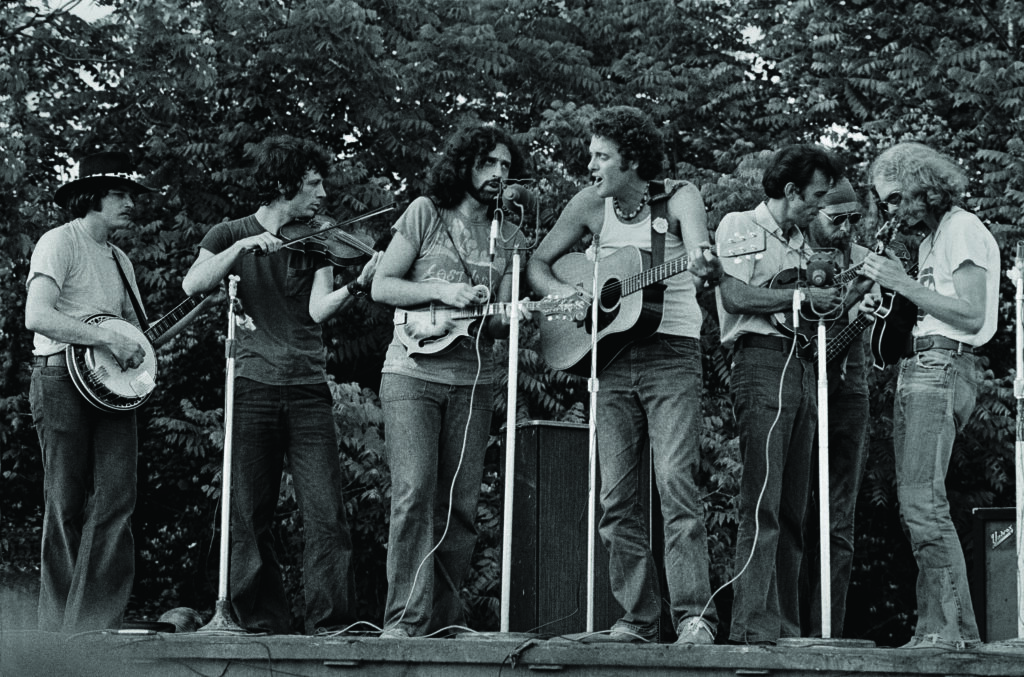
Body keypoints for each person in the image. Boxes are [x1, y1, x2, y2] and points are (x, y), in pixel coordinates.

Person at [527, 106, 722, 645]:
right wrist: (567, 295)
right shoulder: (589, 204)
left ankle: (693, 618)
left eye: (601, 156)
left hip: (671, 355)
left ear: (631, 160)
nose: (589, 165)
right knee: (615, 498)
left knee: (676, 486)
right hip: (608, 359)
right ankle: (639, 619)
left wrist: (707, 260)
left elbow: (701, 247)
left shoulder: (678, 196)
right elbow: (539, 265)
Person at [182, 135, 379, 635]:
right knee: (248, 512)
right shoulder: (229, 231)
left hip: (308, 386)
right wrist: (244, 247)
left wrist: (357, 284)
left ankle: (331, 623)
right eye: (313, 184)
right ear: (283, 184)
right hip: (251, 384)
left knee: (326, 512)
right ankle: (259, 619)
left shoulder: (317, 239)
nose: (322, 196)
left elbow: (317, 309)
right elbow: (193, 283)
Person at [371, 122, 528, 639]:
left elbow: (500, 319)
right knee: (414, 494)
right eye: (489, 163)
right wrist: (443, 290)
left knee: (461, 505)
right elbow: (383, 286)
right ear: (464, 165)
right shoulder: (424, 212)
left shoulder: (507, 235)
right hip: (411, 374)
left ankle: (442, 622)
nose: (498, 174)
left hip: (472, 379)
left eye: (506, 166)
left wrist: (528, 313)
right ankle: (403, 621)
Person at [859, 142, 999, 650]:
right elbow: (931, 308)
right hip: (921, 365)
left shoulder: (961, 227)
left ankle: (951, 631)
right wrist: (891, 307)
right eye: (885, 203)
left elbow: (970, 313)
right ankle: (938, 629)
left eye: (896, 199)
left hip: (942, 366)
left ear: (923, 186)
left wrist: (900, 282)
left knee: (923, 504)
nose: (891, 211)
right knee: (915, 504)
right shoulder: (931, 241)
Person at [715, 144, 844, 645]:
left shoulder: (803, 242)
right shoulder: (738, 225)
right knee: (762, 500)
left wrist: (836, 298)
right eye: (814, 196)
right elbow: (735, 294)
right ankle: (751, 626)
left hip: (804, 364)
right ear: (790, 191)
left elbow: (812, 307)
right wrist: (799, 296)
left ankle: (786, 626)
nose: (819, 206)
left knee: (794, 506)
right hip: (760, 361)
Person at [26, 151, 157, 632]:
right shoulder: (59, 242)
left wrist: (136, 349)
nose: (130, 204)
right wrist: (106, 337)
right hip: (60, 377)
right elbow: (37, 317)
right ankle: (55, 630)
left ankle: (94, 622)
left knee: (118, 497)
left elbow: (134, 332)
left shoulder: (120, 259)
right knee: (64, 500)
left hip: (111, 389)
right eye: (120, 194)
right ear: (91, 197)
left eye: (131, 195)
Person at [799, 178, 873, 637]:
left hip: (850, 388)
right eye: (837, 219)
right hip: (800, 381)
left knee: (838, 517)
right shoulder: (792, 254)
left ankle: (829, 633)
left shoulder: (866, 260)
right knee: (792, 510)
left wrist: (871, 308)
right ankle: (790, 628)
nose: (846, 229)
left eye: (853, 219)